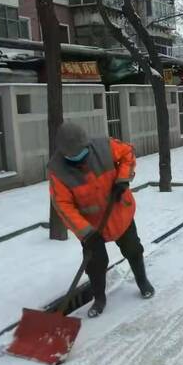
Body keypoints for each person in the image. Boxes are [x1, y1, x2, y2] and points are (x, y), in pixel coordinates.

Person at [48, 121, 155, 318]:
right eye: (71, 155)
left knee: (133, 248)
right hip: (91, 225)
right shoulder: (58, 171)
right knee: (95, 263)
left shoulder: (104, 147)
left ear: (86, 144)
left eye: (80, 152)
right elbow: (63, 205)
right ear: (63, 153)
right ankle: (99, 298)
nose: (77, 157)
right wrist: (86, 232)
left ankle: (142, 281)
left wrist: (122, 179)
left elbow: (128, 153)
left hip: (119, 212)